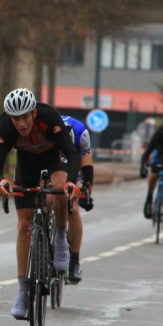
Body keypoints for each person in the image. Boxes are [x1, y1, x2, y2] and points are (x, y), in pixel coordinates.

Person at [0, 88, 80, 320]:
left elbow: (71, 151)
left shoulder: (49, 116)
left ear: (33, 113)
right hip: (26, 164)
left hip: (54, 157)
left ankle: (60, 237)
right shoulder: (5, 126)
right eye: (15, 118)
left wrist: (71, 182)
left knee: (59, 188)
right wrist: (1, 181)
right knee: (23, 226)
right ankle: (22, 291)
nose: (20, 123)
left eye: (24, 117)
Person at [60, 115, 94, 285]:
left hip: (75, 164)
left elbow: (87, 167)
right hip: (49, 160)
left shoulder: (80, 132)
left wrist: (86, 191)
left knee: (72, 205)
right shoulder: (42, 131)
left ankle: (74, 260)